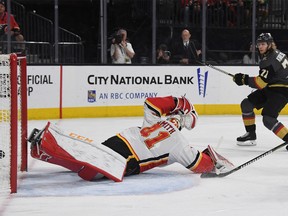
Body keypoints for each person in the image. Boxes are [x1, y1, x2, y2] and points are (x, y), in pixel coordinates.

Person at [28, 95, 233, 182]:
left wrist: (177, 101)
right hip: (131, 160)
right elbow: (198, 164)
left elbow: (151, 103)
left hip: (121, 140)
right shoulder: (180, 143)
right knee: (91, 172)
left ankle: (48, 145)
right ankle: (47, 148)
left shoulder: (156, 122)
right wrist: (213, 159)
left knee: (88, 156)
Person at [233, 33, 288, 146]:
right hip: (273, 86)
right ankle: (251, 134)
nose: (260, 47)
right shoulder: (277, 53)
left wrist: (243, 79)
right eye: (259, 44)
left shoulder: (269, 60)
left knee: (268, 119)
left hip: (282, 90)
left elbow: (260, 83)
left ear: (269, 44)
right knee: (246, 104)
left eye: (263, 44)